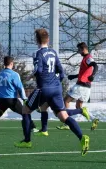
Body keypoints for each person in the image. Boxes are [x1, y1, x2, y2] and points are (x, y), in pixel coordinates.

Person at [15, 28, 90, 156]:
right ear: (48, 39)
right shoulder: (54, 52)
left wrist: (34, 76)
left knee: (25, 110)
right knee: (63, 116)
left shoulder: (38, 53)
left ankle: (27, 141)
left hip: (43, 89)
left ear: (36, 40)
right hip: (56, 88)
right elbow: (61, 72)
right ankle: (82, 137)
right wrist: (56, 82)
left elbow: (38, 70)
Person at [57, 42, 99, 131]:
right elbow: (85, 72)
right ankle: (93, 119)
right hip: (87, 87)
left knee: (66, 101)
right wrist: (74, 76)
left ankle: (66, 123)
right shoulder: (85, 58)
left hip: (81, 86)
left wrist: (93, 75)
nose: (78, 52)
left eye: (79, 50)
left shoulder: (88, 58)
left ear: (83, 49)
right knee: (78, 107)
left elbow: (95, 65)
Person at [0, 56, 36, 132]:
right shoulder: (14, 74)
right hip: (11, 99)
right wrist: (24, 99)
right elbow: (20, 88)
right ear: (11, 63)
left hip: (0, 99)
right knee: (25, 111)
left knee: (2, 107)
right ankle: (33, 128)